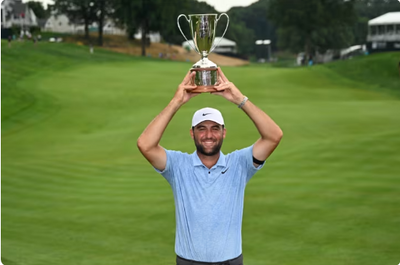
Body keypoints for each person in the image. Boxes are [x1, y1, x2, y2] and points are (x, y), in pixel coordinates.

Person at [137, 68, 283, 265]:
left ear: (224, 133)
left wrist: (240, 100)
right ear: (192, 133)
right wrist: (176, 102)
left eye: (215, 128)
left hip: (230, 261)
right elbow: (145, 144)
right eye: (202, 129)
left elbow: (274, 136)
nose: (208, 135)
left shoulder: (239, 164)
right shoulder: (178, 165)